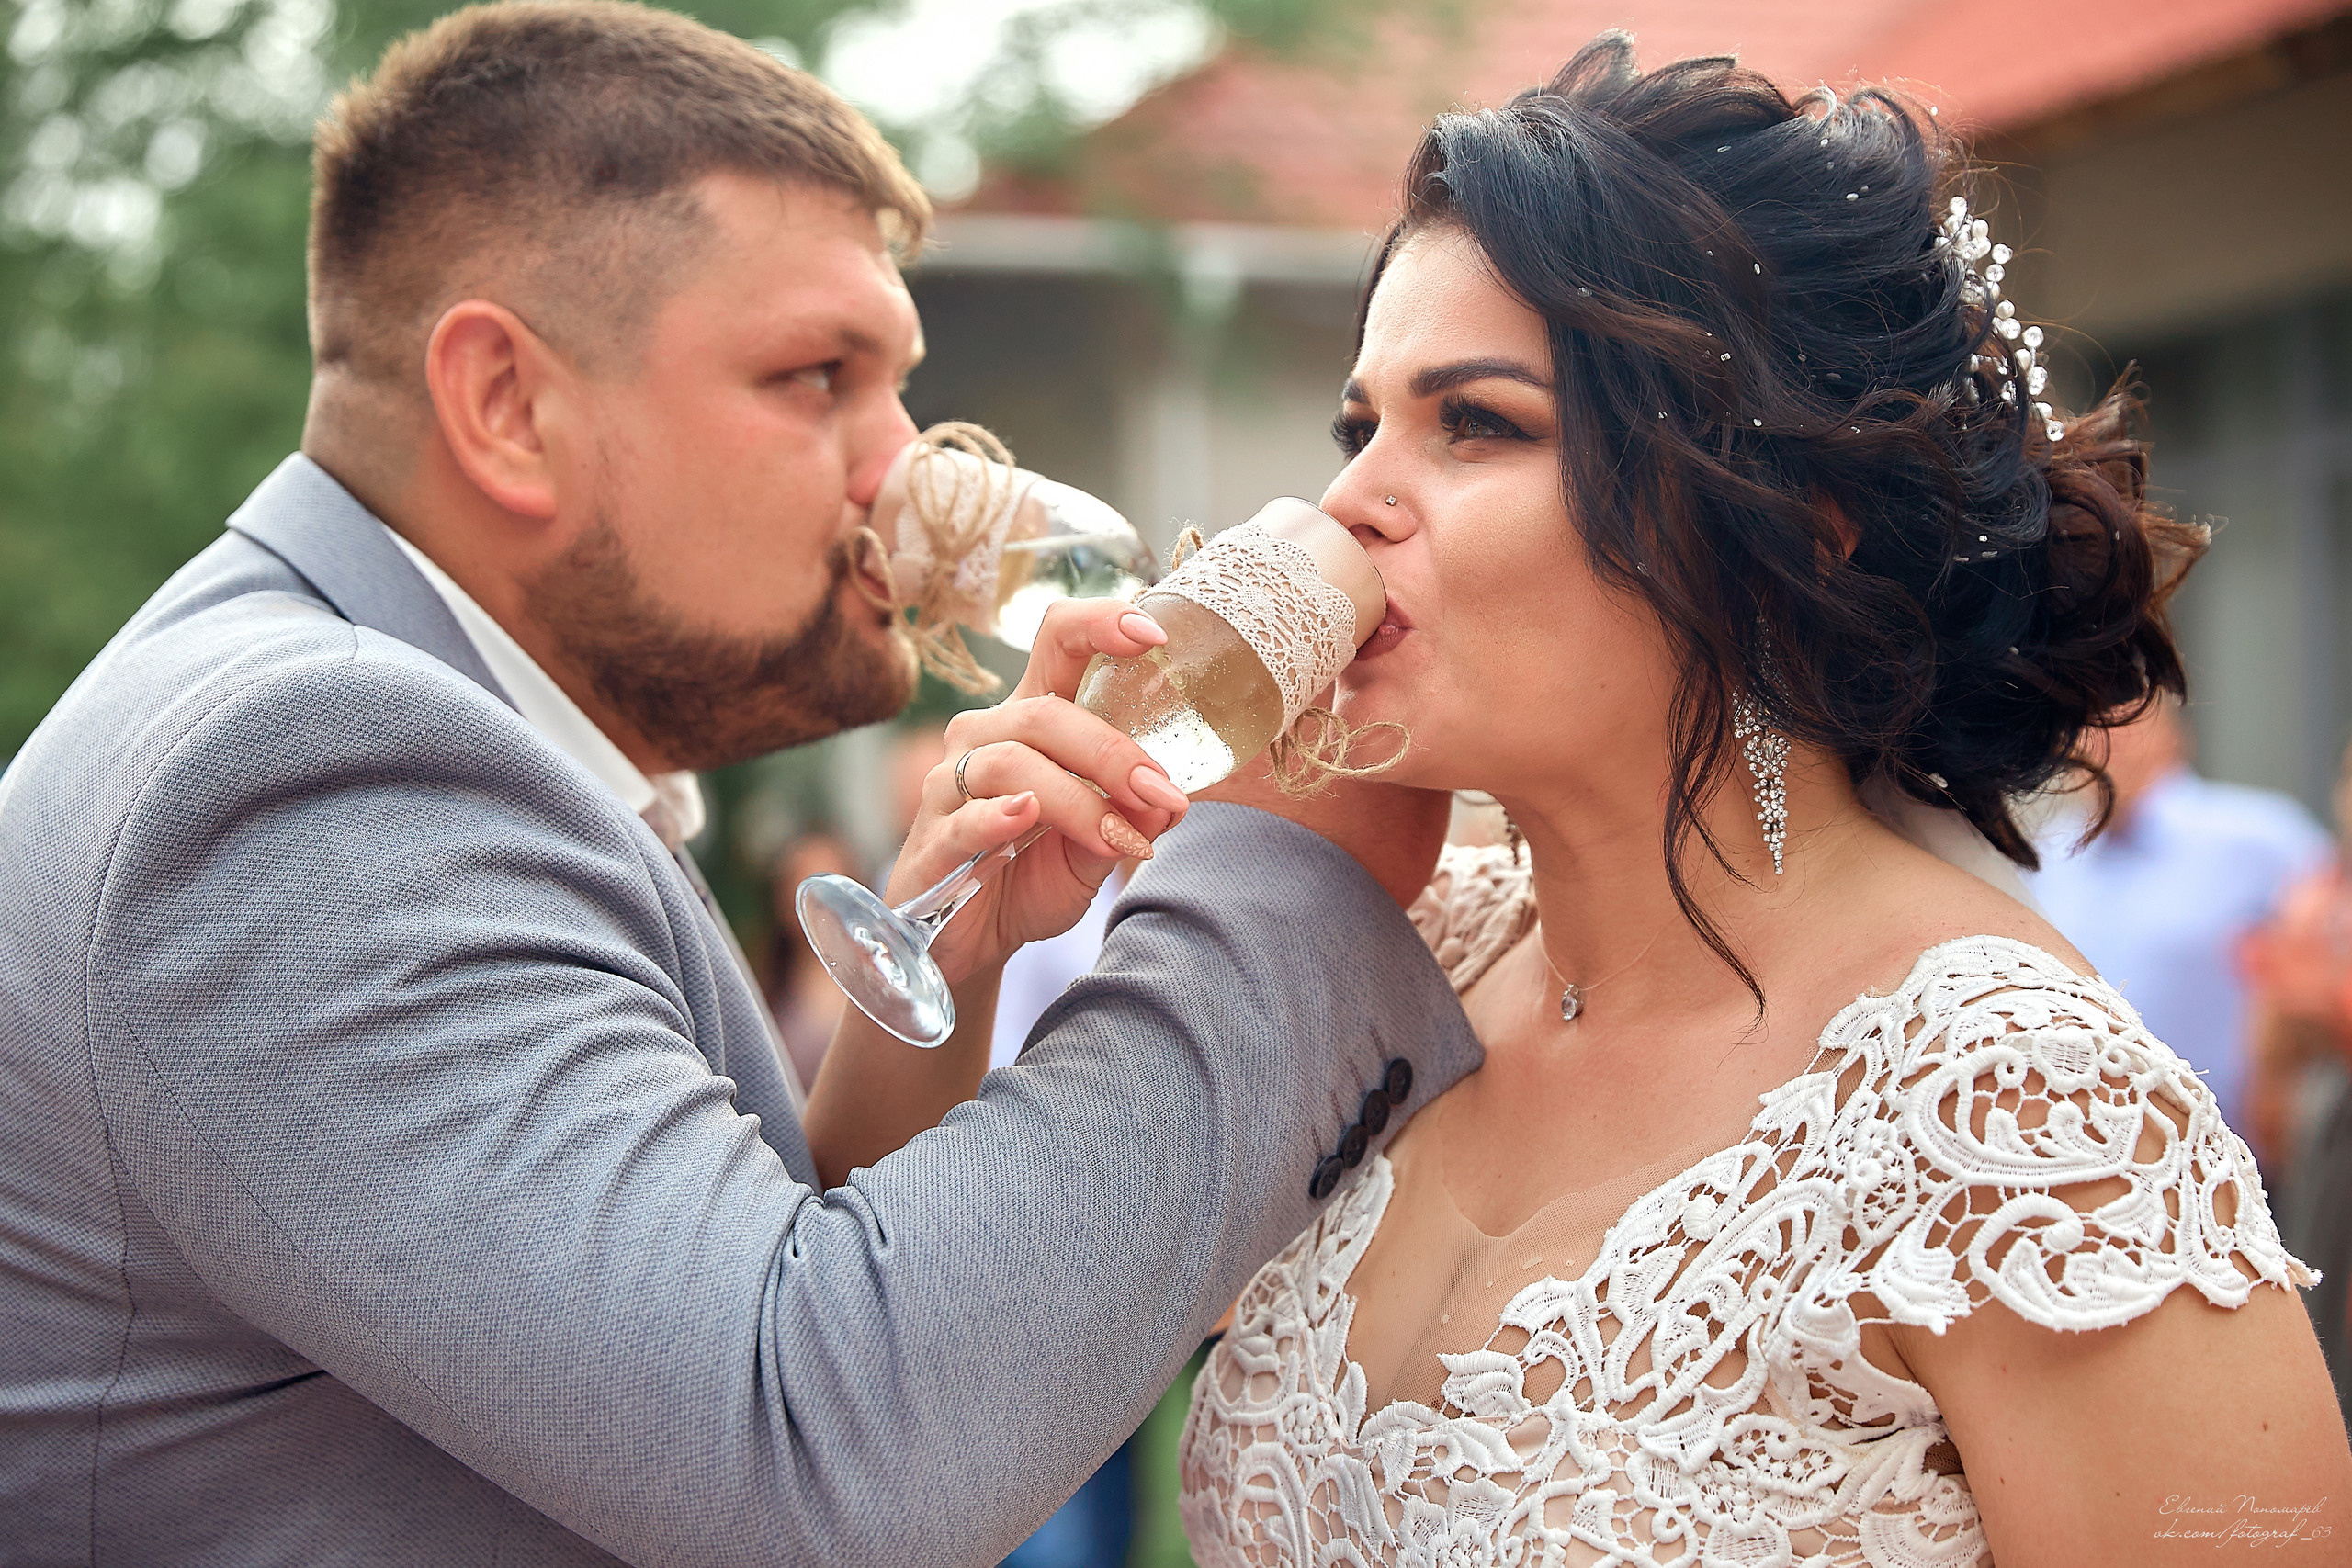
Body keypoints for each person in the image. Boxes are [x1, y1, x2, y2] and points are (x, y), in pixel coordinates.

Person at [0, 5, 1486, 1562]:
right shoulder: (303, 787)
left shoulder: (409, 737)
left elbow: (711, 1321)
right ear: (507, 405)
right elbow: (809, 1458)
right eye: (814, 376)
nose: (906, 473)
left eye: (896, 384)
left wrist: (938, 995)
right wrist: (1284, 874)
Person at [1148, 38, 2341, 1564]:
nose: (1350, 503)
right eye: (1358, 426)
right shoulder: (1397, 964)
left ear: (1795, 530)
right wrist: (981, 938)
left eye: (1478, 424)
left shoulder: (2020, 1116)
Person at [2029, 695, 2327, 1129]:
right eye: (2081, 724)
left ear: (2171, 730)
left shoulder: (2258, 836)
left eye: (2118, 721)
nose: (2095, 741)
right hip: (2085, 1138)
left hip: (2234, 1149)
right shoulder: (2046, 854)